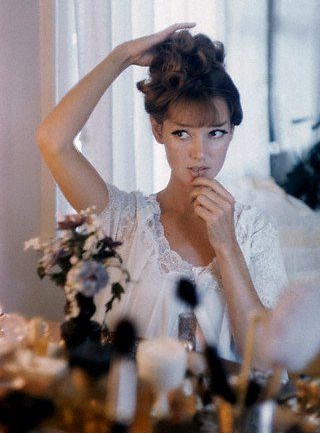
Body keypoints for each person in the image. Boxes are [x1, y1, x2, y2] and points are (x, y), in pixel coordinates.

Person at [37, 23, 288, 363]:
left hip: (221, 415)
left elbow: (263, 359)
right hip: (136, 411)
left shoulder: (255, 231)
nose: (200, 154)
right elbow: (53, 141)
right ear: (158, 130)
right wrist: (122, 56)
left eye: (215, 133)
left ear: (231, 132)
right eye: (182, 134)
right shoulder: (126, 219)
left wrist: (227, 245)